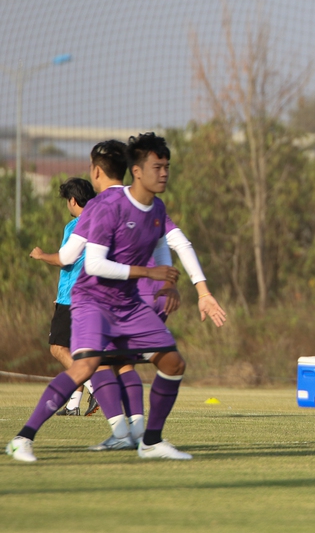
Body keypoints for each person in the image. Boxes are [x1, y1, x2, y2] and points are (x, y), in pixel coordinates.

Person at [6, 133, 226, 463]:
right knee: (86, 366)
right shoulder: (107, 206)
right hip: (93, 300)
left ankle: (149, 441)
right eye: (157, 167)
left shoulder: (156, 207)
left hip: (128, 304)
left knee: (172, 362)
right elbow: (93, 264)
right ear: (136, 171)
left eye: (167, 166)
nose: (164, 173)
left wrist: (188, 288)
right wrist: (149, 274)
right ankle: (22, 438)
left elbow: (169, 245)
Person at [56, 139, 181, 452]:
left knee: (90, 363)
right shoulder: (143, 201)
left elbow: (69, 256)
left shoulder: (99, 207)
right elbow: (175, 243)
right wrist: (181, 285)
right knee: (126, 364)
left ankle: (122, 433)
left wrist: (45, 256)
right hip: (138, 300)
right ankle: (140, 432)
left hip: (95, 300)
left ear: (96, 171)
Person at [29, 177, 99, 417]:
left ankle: (96, 388)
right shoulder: (98, 222)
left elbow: (65, 259)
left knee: (58, 349)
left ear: (72, 200)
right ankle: (73, 405)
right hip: (88, 296)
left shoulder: (75, 226)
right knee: (75, 351)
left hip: (72, 297)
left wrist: (40, 255)